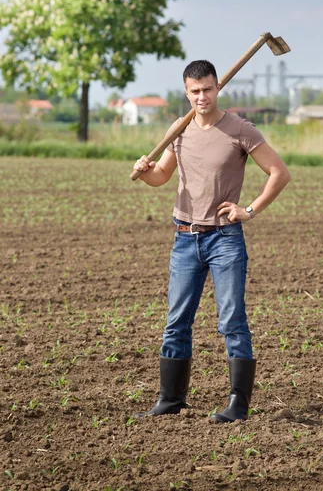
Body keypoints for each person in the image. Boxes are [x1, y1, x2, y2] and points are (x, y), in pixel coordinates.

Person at [133, 60, 290, 423]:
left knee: (232, 320)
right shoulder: (181, 128)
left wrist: (248, 209)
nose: (201, 97)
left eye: (207, 89)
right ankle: (170, 400)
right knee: (176, 321)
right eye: (194, 91)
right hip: (185, 238)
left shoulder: (239, 129)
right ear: (186, 92)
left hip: (224, 239)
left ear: (218, 87)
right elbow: (162, 176)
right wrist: (145, 174)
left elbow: (280, 173)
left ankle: (238, 404)